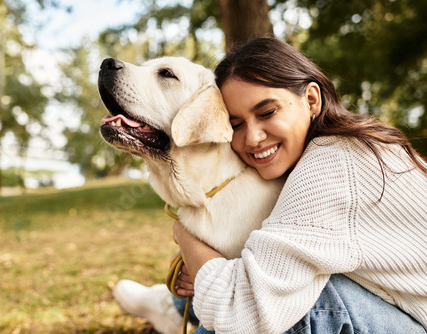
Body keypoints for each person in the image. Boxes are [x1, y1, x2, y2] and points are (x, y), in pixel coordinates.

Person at [113, 37, 427, 333]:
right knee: (274, 273)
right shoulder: (329, 150)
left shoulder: (333, 165)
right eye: (235, 124)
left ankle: (173, 307)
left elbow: (242, 313)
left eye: (267, 112)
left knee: (307, 303)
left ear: (311, 99)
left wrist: (187, 239)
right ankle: (172, 306)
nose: (252, 137)